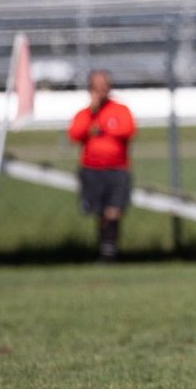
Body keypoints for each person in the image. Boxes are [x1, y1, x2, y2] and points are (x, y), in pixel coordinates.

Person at [67, 70, 137, 264]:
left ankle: (109, 253)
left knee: (114, 211)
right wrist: (92, 113)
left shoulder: (120, 109)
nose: (101, 91)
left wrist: (104, 128)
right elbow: (75, 134)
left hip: (117, 169)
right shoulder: (85, 113)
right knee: (100, 212)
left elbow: (128, 130)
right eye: (96, 87)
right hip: (92, 170)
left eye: (104, 86)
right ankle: (106, 251)